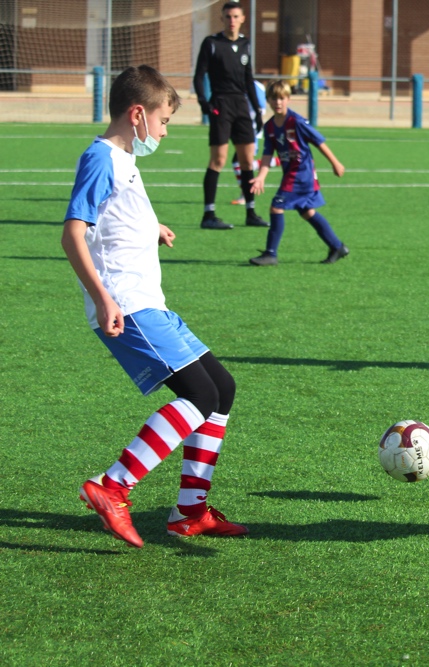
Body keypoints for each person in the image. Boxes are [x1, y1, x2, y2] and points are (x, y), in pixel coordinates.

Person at [63, 65, 247, 549]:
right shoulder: (101, 158)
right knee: (200, 396)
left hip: (151, 302)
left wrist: (153, 228)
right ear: (138, 113)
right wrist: (103, 298)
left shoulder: (123, 159)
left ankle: (189, 513)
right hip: (128, 305)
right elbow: (73, 234)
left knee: (221, 389)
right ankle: (112, 486)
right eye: (164, 121)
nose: (163, 132)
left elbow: (116, 213)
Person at [248, 80, 348, 266]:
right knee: (306, 211)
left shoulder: (296, 121)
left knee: (276, 206)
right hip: (291, 174)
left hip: (302, 174)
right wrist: (261, 176)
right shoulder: (270, 126)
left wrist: (335, 163)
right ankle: (337, 246)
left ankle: (271, 253)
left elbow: (319, 142)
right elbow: (268, 154)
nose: (278, 102)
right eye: (274, 98)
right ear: (268, 100)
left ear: (288, 99)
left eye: (282, 98)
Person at [194, 1, 266, 230]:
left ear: (242, 19)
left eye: (235, 16)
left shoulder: (246, 44)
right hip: (221, 104)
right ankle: (208, 215)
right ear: (222, 19)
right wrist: (204, 103)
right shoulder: (212, 43)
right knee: (219, 160)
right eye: (228, 17)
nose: (232, 20)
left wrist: (257, 111)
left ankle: (251, 212)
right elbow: (199, 76)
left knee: (247, 160)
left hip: (242, 106)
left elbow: (248, 79)